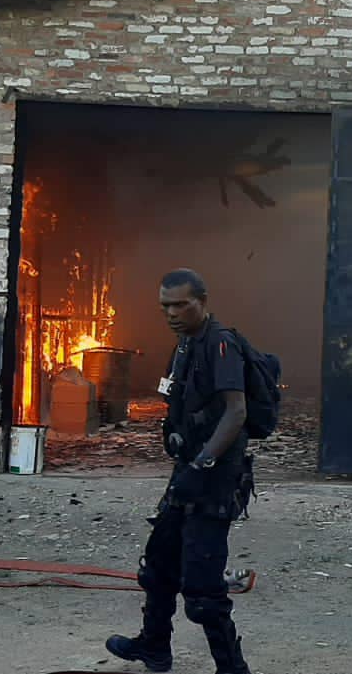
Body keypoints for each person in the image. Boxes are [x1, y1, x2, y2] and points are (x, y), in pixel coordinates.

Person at [107, 268, 254, 674]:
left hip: (215, 479)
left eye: (180, 305)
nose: (171, 313)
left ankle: (232, 668)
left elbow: (236, 412)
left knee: (203, 591)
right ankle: (155, 647)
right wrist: (173, 435)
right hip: (186, 472)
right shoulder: (184, 345)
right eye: (165, 306)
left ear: (202, 302)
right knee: (158, 566)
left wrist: (203, 461)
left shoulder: (220, 344)